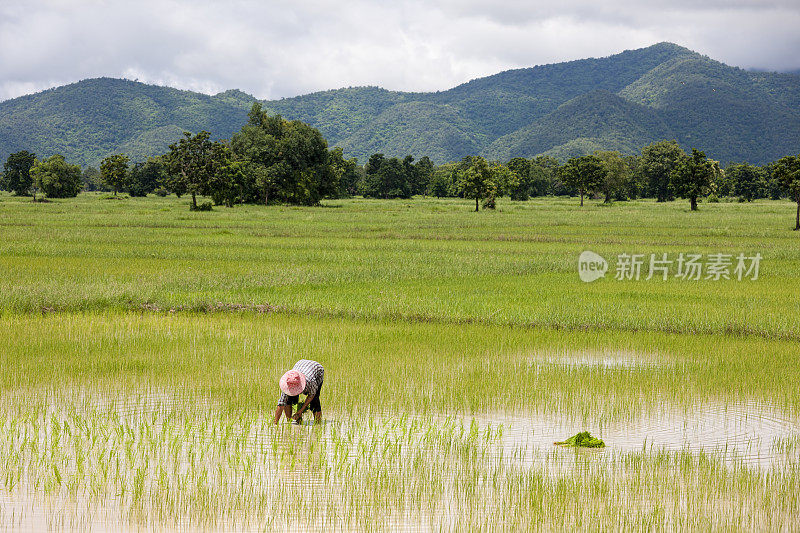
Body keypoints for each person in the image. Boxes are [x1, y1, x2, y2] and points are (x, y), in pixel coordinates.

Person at [273, 359, 324, 425]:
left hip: (317, 370)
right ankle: (290, 421)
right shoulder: (288, 383)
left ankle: (318, 424)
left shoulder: (311, 382)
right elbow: (281, 404)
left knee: (314, 401)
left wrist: (300, 411)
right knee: (288, 398)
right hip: (300, 365)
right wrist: (275, 423)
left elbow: (312, 395)